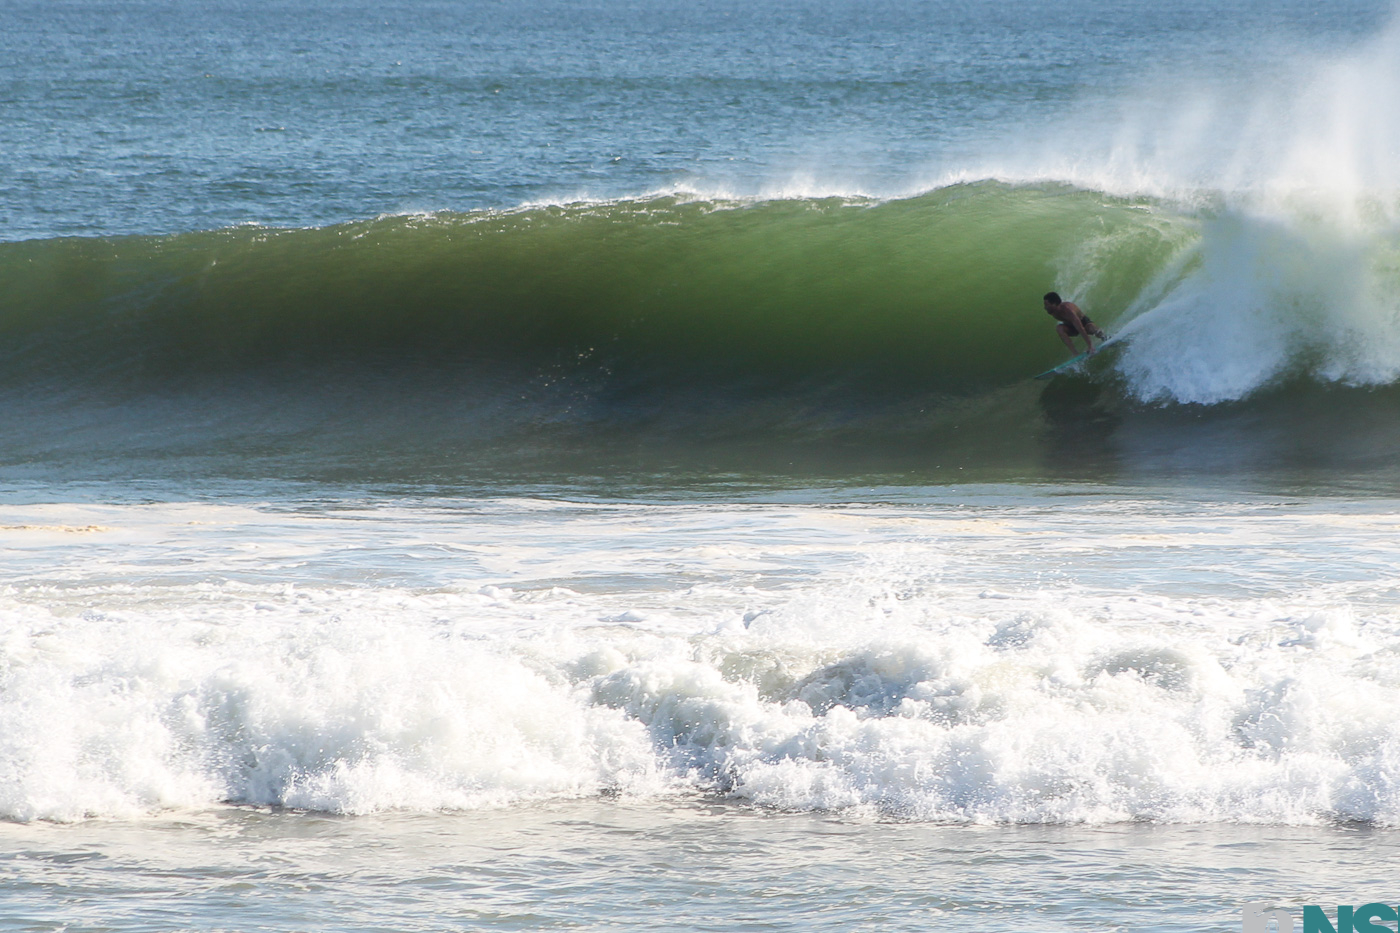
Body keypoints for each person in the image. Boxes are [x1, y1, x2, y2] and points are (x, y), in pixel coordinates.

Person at [1043, 292, 1106, 356]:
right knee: (1059, 328)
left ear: (1054, 304)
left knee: (1093, 329)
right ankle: (1075, 353)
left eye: (1047, 305)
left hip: (1083, 323)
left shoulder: (1068, 311)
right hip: (1071, 326)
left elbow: (1080, 328)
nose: (1045, 307)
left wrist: (1090, 346)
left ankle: (1105, 338)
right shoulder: (1053, 312)